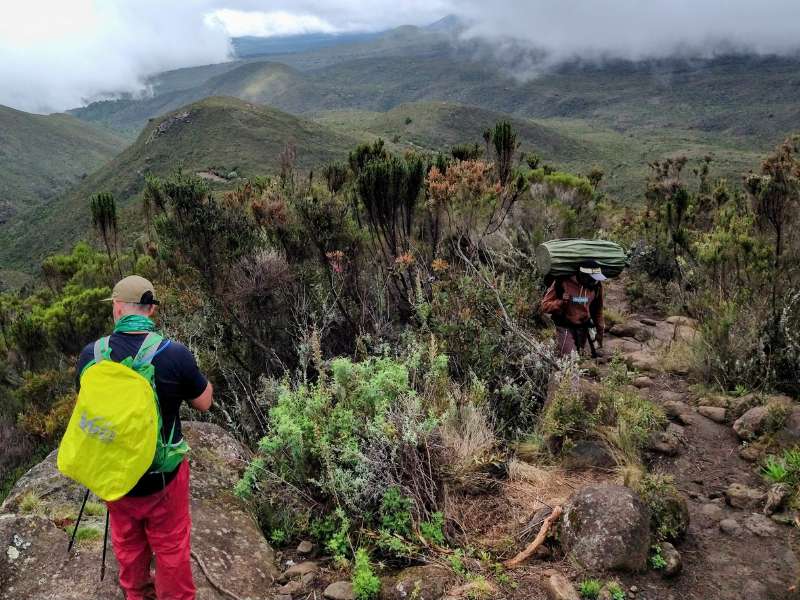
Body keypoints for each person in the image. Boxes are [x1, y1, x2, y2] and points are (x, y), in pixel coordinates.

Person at [76, 275, 213, 600]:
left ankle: (136, 594)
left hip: (115, 474)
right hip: (161, 478)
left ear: (119, 309)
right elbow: (204, 402)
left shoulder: (90, 355)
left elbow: (86, 407)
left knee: (127, 542)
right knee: (171, 546)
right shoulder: (174, 354)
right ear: (150, 310)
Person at [541, 260, 606, 357]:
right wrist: (560, 303)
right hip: (564, 325)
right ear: (584, 276)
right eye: (592, 279)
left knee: (585, 357)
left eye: (596, 279)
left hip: (583, 327)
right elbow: (544, 305)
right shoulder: (562, 282)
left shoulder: (596, 287)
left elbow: (597, 311)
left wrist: (600, 331)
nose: (595, 281)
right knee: (571, 358)